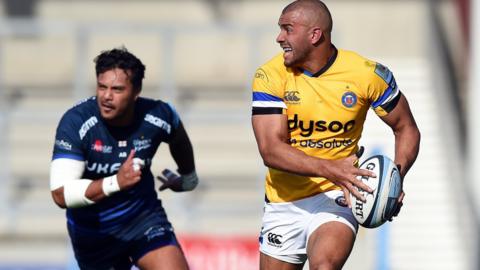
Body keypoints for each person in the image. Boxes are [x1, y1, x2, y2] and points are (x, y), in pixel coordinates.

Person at [251, 1, 421, 269]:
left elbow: (406, 128)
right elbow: (270, 149)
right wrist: (331, 169)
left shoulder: (366, 74)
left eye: (287, 29)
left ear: (315, 35)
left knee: (325, 264)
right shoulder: (270, 75)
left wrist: (395, 179)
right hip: (284, 200)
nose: (279, 37)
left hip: (338, 194)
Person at [50, 47, 198, 270]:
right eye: (102, 87)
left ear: (136, 91)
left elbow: (178, 138)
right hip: (94, 232)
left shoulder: (158, 115)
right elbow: (60, 194)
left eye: (117, 89)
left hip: (143, 219)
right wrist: (115, 182)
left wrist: (188, 179)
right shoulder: (76, 123)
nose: (107, 96)